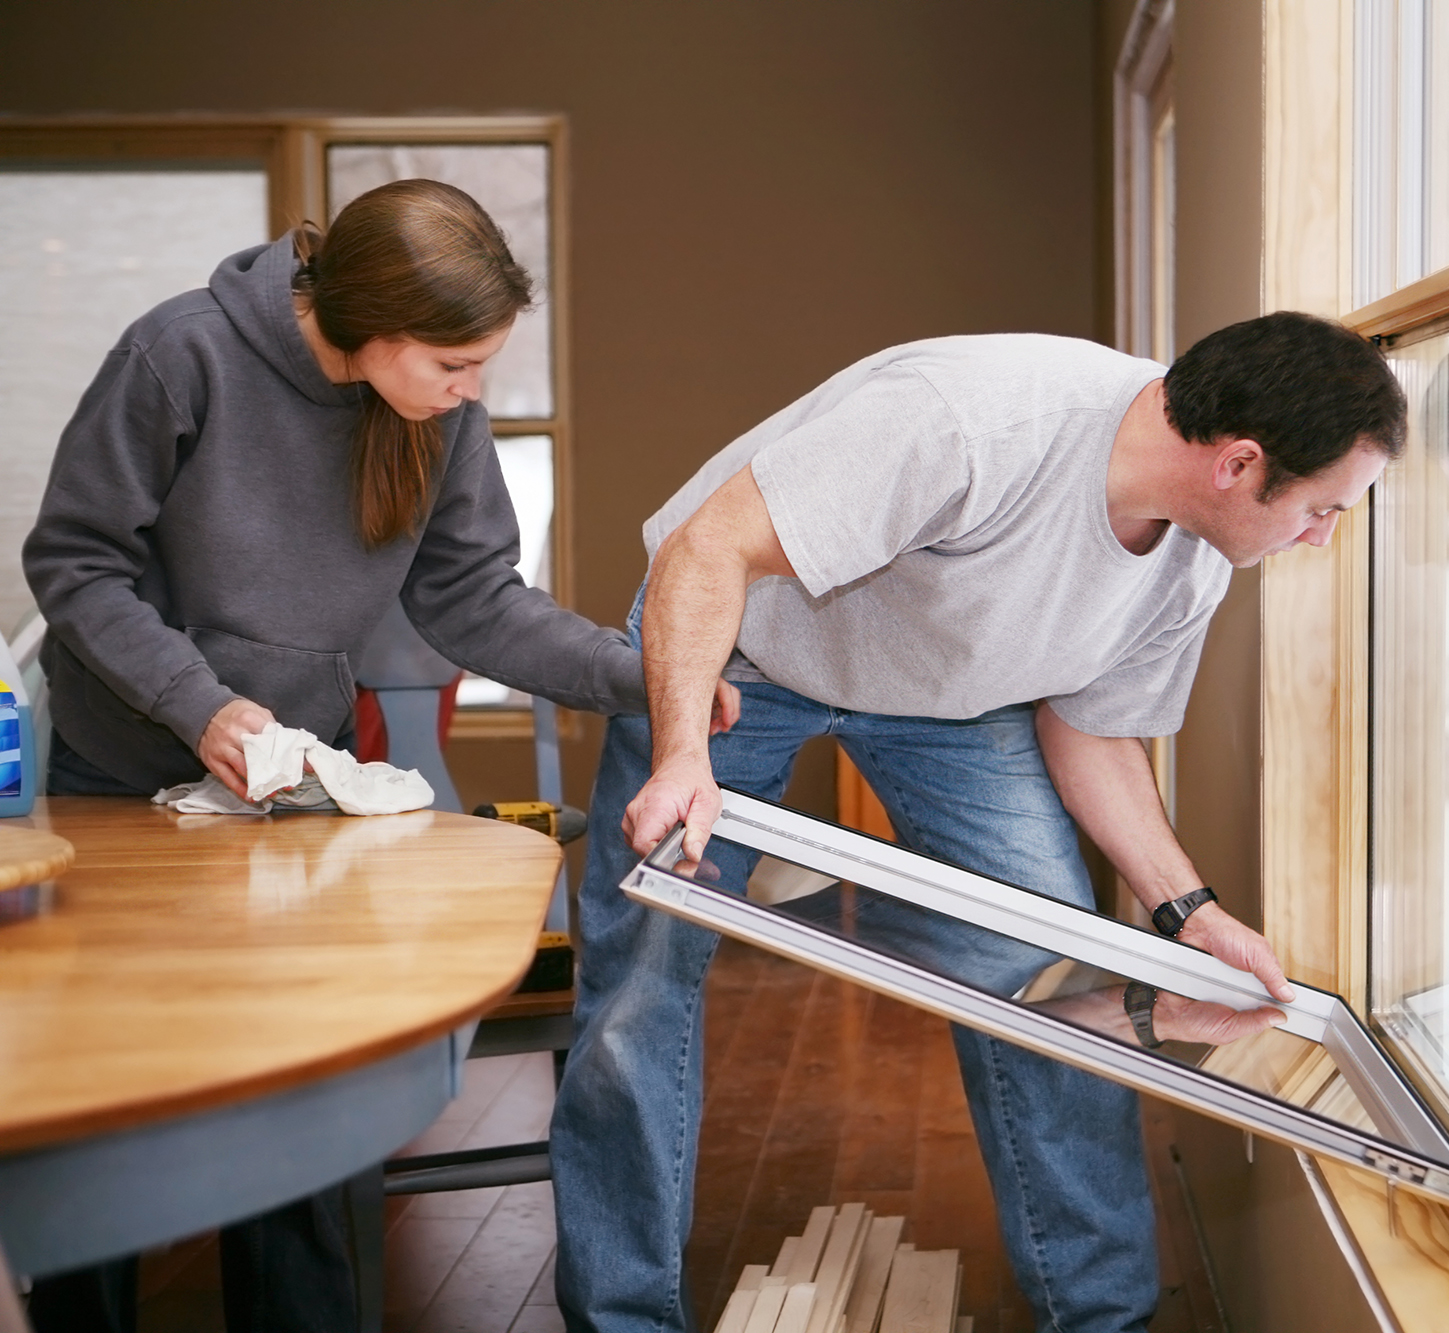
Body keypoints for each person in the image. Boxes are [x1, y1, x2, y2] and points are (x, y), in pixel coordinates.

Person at [552, 312, 1405, 1333]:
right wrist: (684, 749)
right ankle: (623, 1319)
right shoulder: (973, 422)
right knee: (642, 976)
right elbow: (708, 546)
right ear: (1239, 463)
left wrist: (1187, 911)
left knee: (1053, 967)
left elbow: (1090, 733)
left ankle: (1101, 1319)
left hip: (956, 699)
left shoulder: (1192, 564)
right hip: (739, 652)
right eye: (1322, 508)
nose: (1322, 535)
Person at [22, 179, 646, 1333]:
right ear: (369, 323)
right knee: (103, 1110)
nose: (472, 395)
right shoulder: (179, 355)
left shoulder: (430, 413)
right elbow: (73, 565)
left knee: (305, 1101)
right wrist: (200, 706)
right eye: (456, 366)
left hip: (288, 786)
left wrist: (637, 674)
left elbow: (474, 600)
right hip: (123, 775)